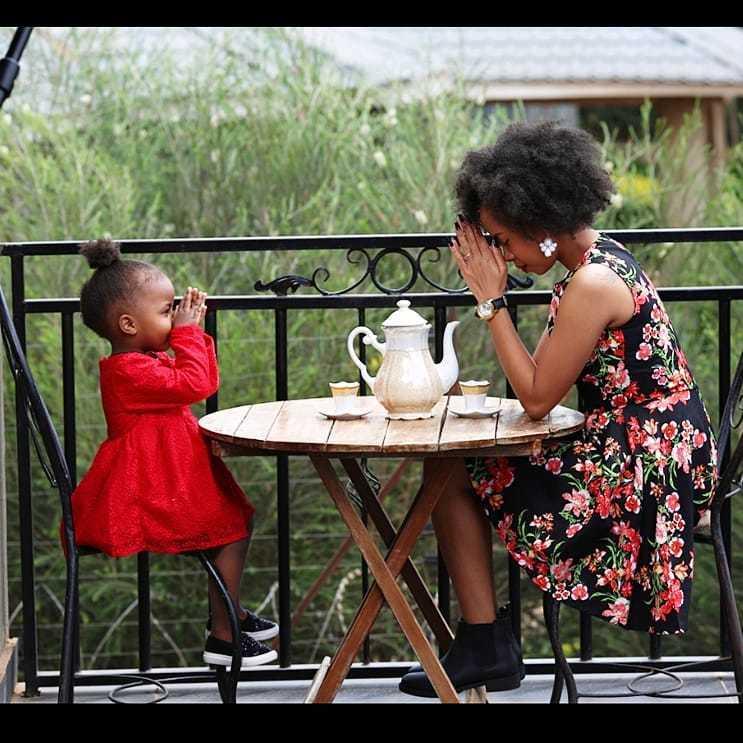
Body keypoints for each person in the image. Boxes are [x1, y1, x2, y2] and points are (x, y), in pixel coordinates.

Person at [399, 120, 718, 697]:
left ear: (541, 226)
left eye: (504, 239)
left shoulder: (593, 283)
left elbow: (537, 397)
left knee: (449, 475)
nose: (504, 254)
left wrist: (492, 302)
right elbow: (540, 385)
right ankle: (484, 642)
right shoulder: (587, 268)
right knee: (447, 470)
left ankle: (486, 643)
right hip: (640, 444)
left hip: (648, 466)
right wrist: (496, 296)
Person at [65, 238, 279, 668]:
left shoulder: (144, 359)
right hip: (149, 490)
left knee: (238, 514)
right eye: (165, 312)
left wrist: (183, 334)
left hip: (172, 474)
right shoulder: (129, 369)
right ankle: (223, 635)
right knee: (231, 527)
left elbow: (194, 383)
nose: (174, 318)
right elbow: (197, 385)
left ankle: (229, 612)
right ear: (128, 324)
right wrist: (189, 333)